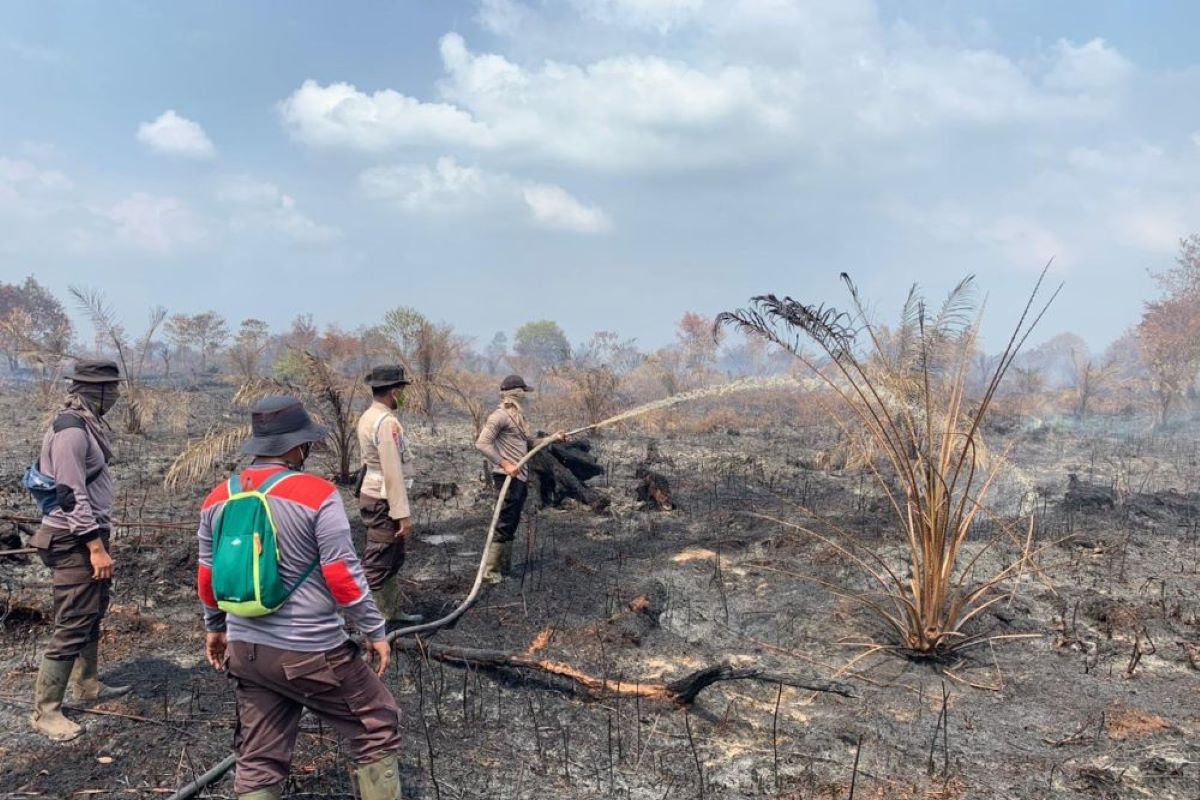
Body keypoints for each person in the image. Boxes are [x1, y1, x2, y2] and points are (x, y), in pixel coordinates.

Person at [197, 396, 402, 800]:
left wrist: (215, 628)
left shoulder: (217, 498)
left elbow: (208, 576)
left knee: (258, 756)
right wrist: (376, 630)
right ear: (296, 446)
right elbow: (343, 575)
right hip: (310, 653)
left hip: (247, 652)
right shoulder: (317, 494)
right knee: (377, 722)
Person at [29, 359, 129, 741]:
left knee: (91, 611)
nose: (117, 395)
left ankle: (87, 685)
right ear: (96, 390)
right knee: (73, 620)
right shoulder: (71, 430)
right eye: (113, 389)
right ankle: (46, 712)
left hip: (88, 537)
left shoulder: (87, 423)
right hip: (74, 540)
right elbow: (69, 494)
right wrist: (94, 546)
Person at [474, 374, 565, 583]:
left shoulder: (518, 418)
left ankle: (503, 568)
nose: (526, 396)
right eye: (523, 392)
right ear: (516, 393)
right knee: (504, 521)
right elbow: (482, 443)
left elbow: (529, 443)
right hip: (506, 478)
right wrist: (505, 464)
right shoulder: (500, 416)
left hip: (519, 477)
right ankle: (490, 572)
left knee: (512, 521)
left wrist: (553, 438)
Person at [354, 365, 421, 624]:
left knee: (392, 555)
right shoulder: (386, 422)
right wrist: (402, 515)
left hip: (376, 494)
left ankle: (390, 612)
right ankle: (363, 619)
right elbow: (392, 471)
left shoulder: (368, 416)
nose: (403, 396)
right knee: (378, 559)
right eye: (402, 391)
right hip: (383, 498)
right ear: (394, 392)